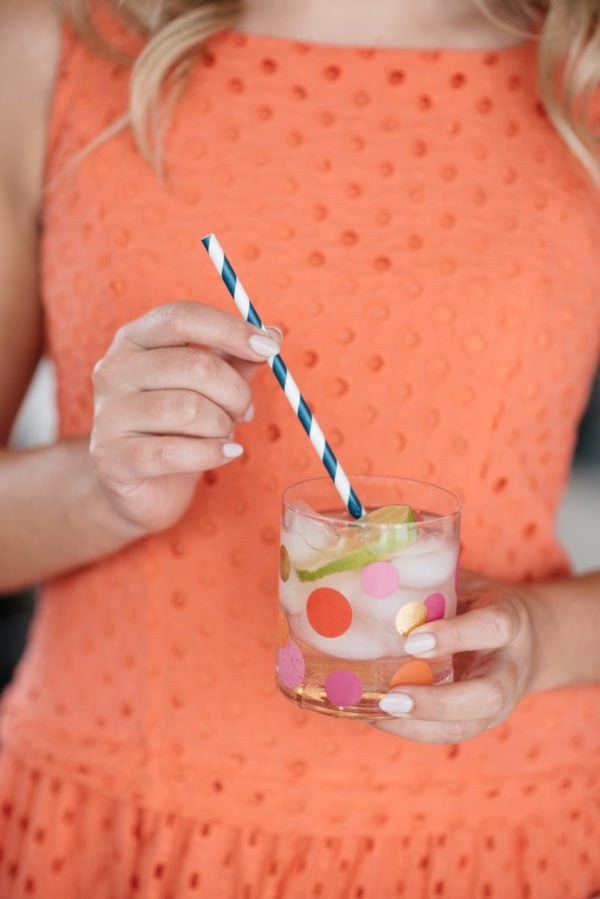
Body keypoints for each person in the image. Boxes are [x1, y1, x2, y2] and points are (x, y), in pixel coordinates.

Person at [0, 0, 599, 896]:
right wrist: (102, 492)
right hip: (105, 834)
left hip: (493, 840)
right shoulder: (49, 42)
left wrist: (540, 638)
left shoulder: (580, 68)